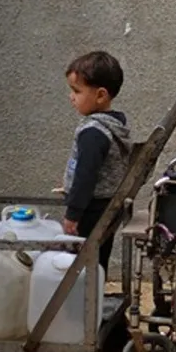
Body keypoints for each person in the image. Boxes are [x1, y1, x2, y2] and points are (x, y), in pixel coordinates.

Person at [60, 51, 132, 274]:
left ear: (100, 95)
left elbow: (86, 174)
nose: (71, 97)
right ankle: (96, 297)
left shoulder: (93, 131)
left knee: (82, 262)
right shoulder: (114, 124)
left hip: (91, 208)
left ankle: (85, 303)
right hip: (107, 206)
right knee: (98, 258)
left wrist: (73, 214)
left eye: (76, 91)